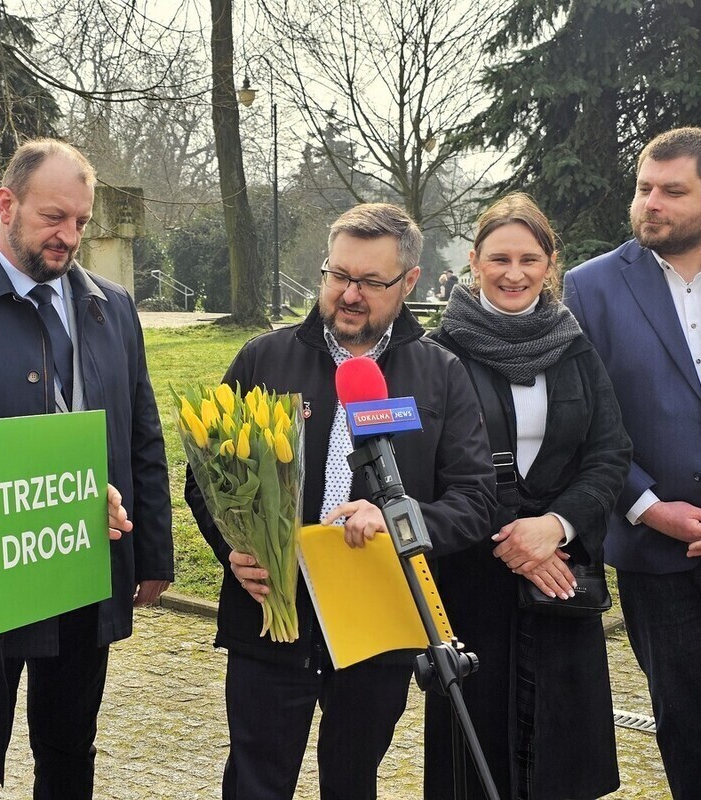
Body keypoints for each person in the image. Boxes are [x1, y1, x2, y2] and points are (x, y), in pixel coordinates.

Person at [185, 202, 497, 800]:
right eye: (338, 275)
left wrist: (399, 519)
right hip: (271, 616)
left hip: (376, 619)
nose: (349, 295)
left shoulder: (441, 375)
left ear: (408, 282)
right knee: (254, 781)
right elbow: (204, 478)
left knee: (352, 782)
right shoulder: (263, 358)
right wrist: (237, 549)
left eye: (370, 282)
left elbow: (477, 499)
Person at [0, 139, 174, 800]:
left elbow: (142, 431)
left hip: (84, 559)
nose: (68, 236)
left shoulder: (113, 305)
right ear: (6, 204)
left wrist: (151, 551)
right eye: (53, 217)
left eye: (80, 220)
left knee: (70, 743)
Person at [565, 126, 701, 799]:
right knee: (682, 725)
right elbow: (587, 421)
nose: (650, 203)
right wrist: (649, 507)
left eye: (671, 191)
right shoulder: (591, 287)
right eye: (644, 188)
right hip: (657, 557)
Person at [427, 193, 631, 799]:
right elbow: (433, 466)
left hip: (562, 579)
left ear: (550, 265)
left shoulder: (575, 350)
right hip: (473, 579)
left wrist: (558, 527)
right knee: (474, 755)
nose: (513, 273)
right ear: (473, 262)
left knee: (563, 756)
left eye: (529, 258)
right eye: (499, 258)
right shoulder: (439, 354)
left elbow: (609, 450)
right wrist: (519, 536)